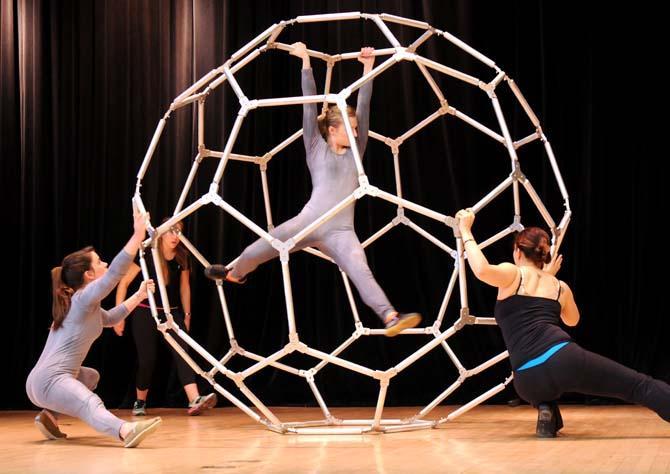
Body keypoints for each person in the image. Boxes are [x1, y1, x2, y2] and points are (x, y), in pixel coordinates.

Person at [205, 42, 421, 336]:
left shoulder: (357, 149)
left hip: (341, 232)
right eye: (352, 128)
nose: (357, 132)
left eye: (358, 128)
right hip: (307, 223)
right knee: (254, 251)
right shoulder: (315, 146)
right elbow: (309, 104)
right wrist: (306, 60)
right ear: (332, 129)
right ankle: (235, 275)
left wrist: (368, 68)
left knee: (360, 268)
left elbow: (365, 106)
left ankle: (390, 317)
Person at [456, 208, 670, 437]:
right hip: (564, 361)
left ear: (518, 252)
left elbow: (481, 270)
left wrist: (465, 230)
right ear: (543, 256)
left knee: (542, 390)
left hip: (526, 382)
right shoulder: (560, 287)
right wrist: (550, 279)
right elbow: (572, 320)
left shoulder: (512, 274)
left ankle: (545, 410)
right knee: (639, 386)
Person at [25, 211, 162, 447]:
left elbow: (110, 318)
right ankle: (125, 431)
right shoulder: (82, 299)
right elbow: (114, 274)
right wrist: (137, 235)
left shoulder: (85, 307)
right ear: (89, 275)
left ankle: (49, 416)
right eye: (99, 263)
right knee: (90, 402)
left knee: (90, 376)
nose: (105, 264)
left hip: (39, 384)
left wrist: (138, 295)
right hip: (50, 381)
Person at [115, 219, 217, 416]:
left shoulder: (182, 257)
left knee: (183, 353)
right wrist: (119, 316)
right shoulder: (146, 254)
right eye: (171, 231)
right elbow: (123, 283)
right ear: (161, 234)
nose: (175, 236)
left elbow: (184, 288)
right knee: (147, 359)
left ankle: (194, 399)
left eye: (178, 231)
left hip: (171, 312)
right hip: (146, 311)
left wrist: (187, 315)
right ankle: (139, 402)